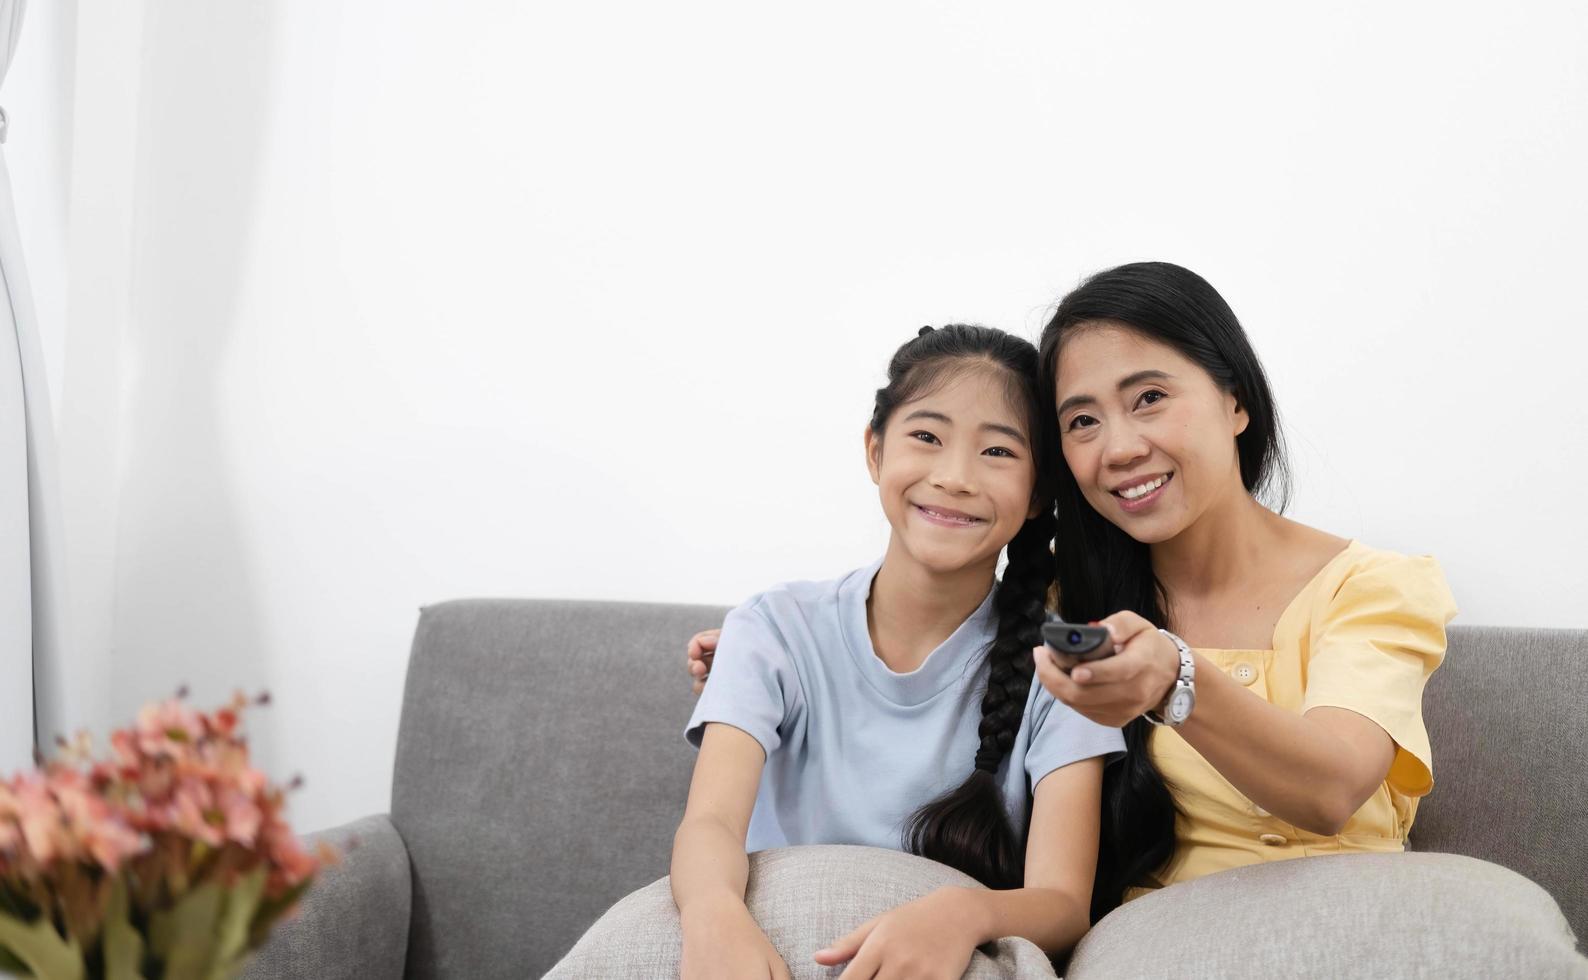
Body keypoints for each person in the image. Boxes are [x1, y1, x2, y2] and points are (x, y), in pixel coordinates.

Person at [690, 263, 1457, 918]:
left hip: (1352, 919)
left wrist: (1174, 676)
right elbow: (941, 639)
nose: (1120, 447)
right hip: (1153, 944)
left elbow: (1333, 787)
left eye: (1149, 397)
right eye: (1082, 420)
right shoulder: (1066, 609)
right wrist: (775, 654)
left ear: (1235, 399)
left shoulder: (1370, 589)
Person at [672, 325, 1123, 980]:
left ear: (1038, 495)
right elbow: (709, 823)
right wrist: (714, 916)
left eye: (997, 451)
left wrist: (964, 913)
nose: (955, 477)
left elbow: (1061, 905)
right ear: (875, 452)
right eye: (926, 437)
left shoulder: (1065, 667)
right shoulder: (774, 628)